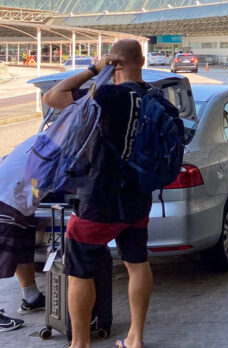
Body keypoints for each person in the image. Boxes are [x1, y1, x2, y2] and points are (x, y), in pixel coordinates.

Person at [42, 39, 155, 348]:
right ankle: (136, 338)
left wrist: (94, 68)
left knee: (80, 271)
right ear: (142, 60)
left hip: (98, 198)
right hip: (137, 197)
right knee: (136, 263)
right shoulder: (155, 97)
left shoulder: (104, 95)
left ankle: (80, 343)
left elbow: (54, 97)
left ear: (113, 63)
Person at [0, 201, 44, 333]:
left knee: (21, 249)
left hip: (22, 199)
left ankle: (32, 298)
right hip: (5, 195)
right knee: (2, 252)